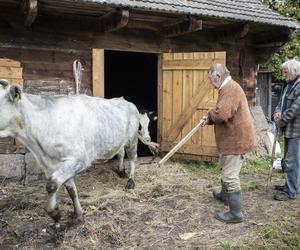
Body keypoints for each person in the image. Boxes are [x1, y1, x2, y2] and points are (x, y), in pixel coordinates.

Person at [201, 64, 256, 223]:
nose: (211, 83)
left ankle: (235, 214)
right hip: (232, 138)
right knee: (225, 166)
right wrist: (211, 116)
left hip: (236, 140)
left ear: (218, 77)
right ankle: (225, 195)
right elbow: (223, 110)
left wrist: (211, 114)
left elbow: (222, 114)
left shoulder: (230, 89)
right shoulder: (227, 88)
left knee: (230, 175)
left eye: (211, 80)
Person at [273, 58, 300, 201]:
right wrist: (277, 112)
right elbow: (281, 103)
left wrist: (280, 120)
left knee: (292, 161)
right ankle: (288, 185)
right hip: (288, 128)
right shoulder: (289, 85)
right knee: (288, 159)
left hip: (296, 130)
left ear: (295, 71)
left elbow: (294, 109)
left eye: (286, 72)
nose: (284, 75)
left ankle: (290, 191)